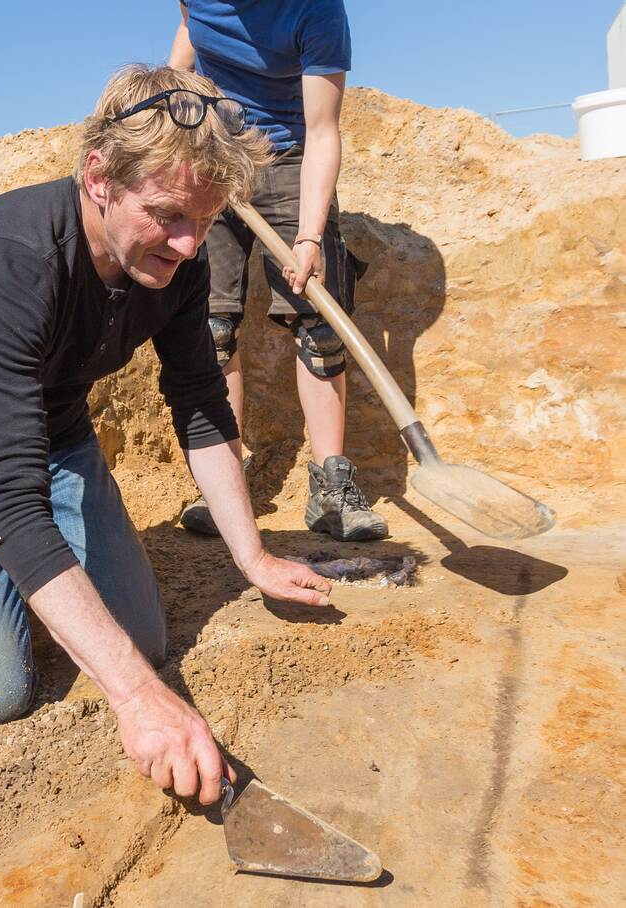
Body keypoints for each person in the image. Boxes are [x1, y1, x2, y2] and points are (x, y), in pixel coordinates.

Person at [0, 64, 332, 806]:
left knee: (146, 643)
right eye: (166, 215)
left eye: (205, 219)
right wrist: (138, 700)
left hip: (54, 436)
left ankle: (39, 583)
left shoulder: (176, 259)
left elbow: (198, 401)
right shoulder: (15, 260)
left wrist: (251, 555)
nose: (189, 246)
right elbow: (12, 500)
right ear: (99, 176)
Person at [170, 0, 389, 542]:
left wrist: (310, 235)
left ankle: (331, 486)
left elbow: (322, 130)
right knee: (211, 329)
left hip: (291, 155)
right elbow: (185, 38)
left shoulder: (315, 9)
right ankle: (225, 479)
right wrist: (182, 106)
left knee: (319, 326)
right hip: (212, 155)